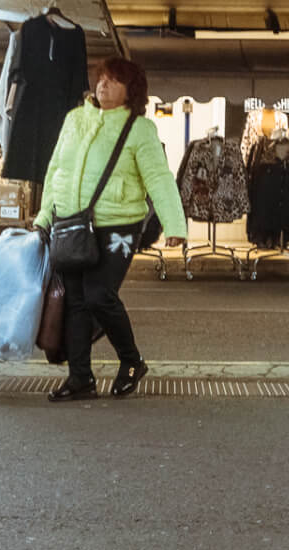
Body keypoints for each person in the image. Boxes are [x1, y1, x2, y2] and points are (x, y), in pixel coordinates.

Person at [33, 56, 187, 401]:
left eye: (114, 80)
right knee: (75, 301)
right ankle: (80, 379)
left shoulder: (139, 129)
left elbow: (159, 178)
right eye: (101, 78)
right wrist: (45, 215)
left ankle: (132, 361)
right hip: (70, 223)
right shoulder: (74, 119)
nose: (103, 85)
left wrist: (175, 223)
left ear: (131, 90)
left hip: (119, 227)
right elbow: (56, 169)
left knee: (98, 295)